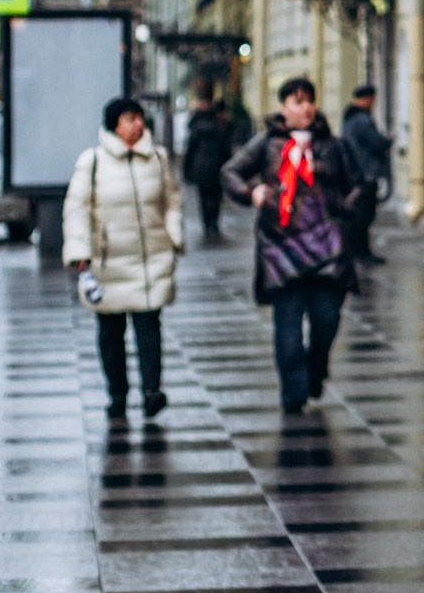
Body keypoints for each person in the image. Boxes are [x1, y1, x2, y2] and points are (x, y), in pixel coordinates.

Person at [223, 77, 359, 414]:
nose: (306, 107)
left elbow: (357, 184)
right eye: (297, 102)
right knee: (288, 327)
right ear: (283, 107)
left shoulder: (332, 145)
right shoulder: (267, 143)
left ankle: (316, 369)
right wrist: (253, 193)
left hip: (327, 247)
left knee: (327, 320)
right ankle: (293, 393)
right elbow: (231, 173)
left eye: (309, 100)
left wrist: (344, 209)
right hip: (280, 245)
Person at [63, 96, 186, 424]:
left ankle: (152, 392)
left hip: (151, 260)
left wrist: (173, 234)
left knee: (149, 328)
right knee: (111, 332)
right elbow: (77, 209)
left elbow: (172, 200)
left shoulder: (157, 158)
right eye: (131, 118)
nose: (139, 125)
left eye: (140, 118)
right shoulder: (92, 162)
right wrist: (80, 254)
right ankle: (117, 393)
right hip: (109, 263)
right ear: (114, 124)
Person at [340, 84, 392, 263]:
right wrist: (388, 140)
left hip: (357, 172)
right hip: (365, 173)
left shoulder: (349, 117)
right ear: (367, 99)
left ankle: (360, 252)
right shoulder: (361, 119)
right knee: (364, 216)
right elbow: (376, 142)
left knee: (360, 216)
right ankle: (361, 253)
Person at [182, 88, 233, 243]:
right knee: (216, 197)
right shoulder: (220, 127)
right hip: (217, 166)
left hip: (201, 167)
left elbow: (190, 150)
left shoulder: (196, 127)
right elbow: (226, 149)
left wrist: (187, 169)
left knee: (204, 197)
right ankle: (214, 224)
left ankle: (206, 224)